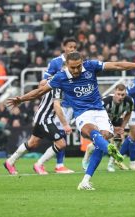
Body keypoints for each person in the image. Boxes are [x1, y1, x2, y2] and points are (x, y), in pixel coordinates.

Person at [6, 51, 135, 190]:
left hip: (100, 110)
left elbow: (117, 65)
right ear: (67, 65)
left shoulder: (91, 66)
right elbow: (39, 91)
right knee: (91, 131)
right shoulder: (60, 77)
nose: (76, 70)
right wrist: (21, 99)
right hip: (82, 113)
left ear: (82, 62)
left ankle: (85, 181)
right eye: (73, 67)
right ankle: (109, 149)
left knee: (104, 139)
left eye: (78, 66)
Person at [4, 80, 72, 175]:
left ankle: (10, 161)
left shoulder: (58, 79)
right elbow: (56, 105)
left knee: (32, 143)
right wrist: (65, 124)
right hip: (45, 118)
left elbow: (40, 86)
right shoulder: (59, 81)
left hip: (42, 116)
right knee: (61, 144)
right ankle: (39, 164)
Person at [43, 37, 77, 174]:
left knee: (62, 134)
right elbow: (45, 80)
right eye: (70, 47)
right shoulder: (56, 62)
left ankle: (58, 164)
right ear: (64, 47)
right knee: (60, 135)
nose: (72, 49)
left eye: (74, 47)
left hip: (73, 103)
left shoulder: (78, 61)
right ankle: (57, 165)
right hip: (60, 103)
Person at [82, 83, 134, 172]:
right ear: (114, 92)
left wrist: (122, 127)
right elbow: (98, 115)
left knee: (118, 140)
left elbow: (129, 113)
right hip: (102, 120)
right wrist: (113, 128)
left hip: (116, 119)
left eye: (123, 95)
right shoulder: (105, 101)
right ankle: (87, 155)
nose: (120, 97)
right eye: (118, 94)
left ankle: (111, 164)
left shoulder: (129, 101)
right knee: (103, 140)